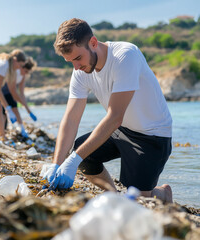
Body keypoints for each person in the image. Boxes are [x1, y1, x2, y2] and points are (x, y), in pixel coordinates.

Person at [43, 18, 173, 203]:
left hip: (151, 135)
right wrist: (56, 163)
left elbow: (114, 116)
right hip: (121, 130)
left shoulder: (125, 56)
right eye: (70, 61)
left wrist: (72, 161)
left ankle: (163, 193)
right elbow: (71, 119)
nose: (76, 67)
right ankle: (113, 195)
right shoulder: (80, 70)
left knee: (140, 201)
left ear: (93, 43)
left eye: (78, 58)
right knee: (82, 154)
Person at [2, 57, 37, 138]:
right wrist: (26, 107)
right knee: (3, 113)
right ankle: (2, 132)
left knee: (15, 109)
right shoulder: (15, 72)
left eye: (27, 73)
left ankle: (21, 129)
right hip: (2, 92)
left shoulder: (22, 76)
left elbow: (21, 93)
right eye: (25, 71)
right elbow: (13, 91)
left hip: (10, 93)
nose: (25, 74)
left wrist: (29, 111)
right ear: (21, 67)